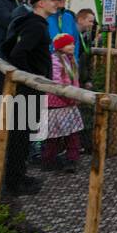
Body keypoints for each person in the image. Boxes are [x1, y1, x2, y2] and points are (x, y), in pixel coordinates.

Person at [0, 0, 61, 195]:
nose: (57, 4)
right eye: (53, 0)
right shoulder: (35, 25)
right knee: (20, 135)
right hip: (28, 89)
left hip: (26, 88)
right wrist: (31, 77)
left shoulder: (31, 23)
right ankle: (14, 182)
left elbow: (9, 49)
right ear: (40, 3)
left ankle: (17, 175)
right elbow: (17, 53)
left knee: (21, 135)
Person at [41, 33, 84, 172]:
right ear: (59, 47)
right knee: (53, 135)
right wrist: (71, 97)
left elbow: (74, 80)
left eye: (72, 43)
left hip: (69, 102)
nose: (72, 46)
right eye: (68, 44)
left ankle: (72, 158)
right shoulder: (55, 61)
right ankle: (48, 160)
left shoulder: (71, 60)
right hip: (57, 103)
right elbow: (57, 82)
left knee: (72, 133)